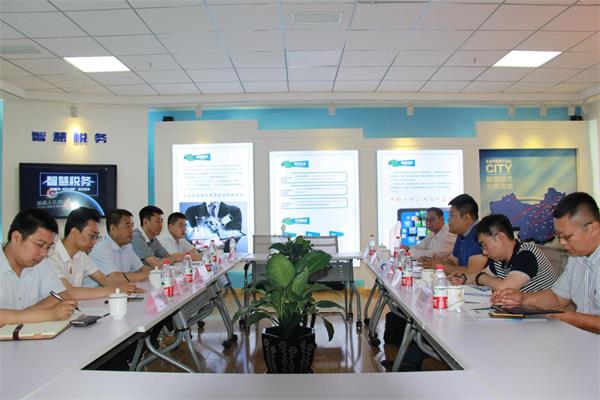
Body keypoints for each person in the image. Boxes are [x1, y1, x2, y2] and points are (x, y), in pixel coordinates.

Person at [493, 192, 600, 334]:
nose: (562, 243)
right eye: (558, 236)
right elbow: (557, 298)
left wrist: (570, 317)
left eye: (567, 236)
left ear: (593, 228)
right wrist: (522, 298)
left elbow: (568, 314)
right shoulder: (576, 258)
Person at [0, 209, 77, 325]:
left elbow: (61, 295)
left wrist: (21, 317)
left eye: (48, 247)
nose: (44, 253)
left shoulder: (40, 262)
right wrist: (49, 314)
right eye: (39, 245)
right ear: (16, 237)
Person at [48, 207, 141, 300]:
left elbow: (103, 279)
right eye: (91, 236)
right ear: (75, 232)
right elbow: (70, 292)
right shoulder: (51, 257)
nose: (94, 242)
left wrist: (128, 288)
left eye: (96, 237)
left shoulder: (80, 254)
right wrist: (115, 290)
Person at [449, 214, 557, 292]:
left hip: (547, 314)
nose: (484, 252)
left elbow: (505, 287)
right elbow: (482, 274)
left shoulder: (526, 254)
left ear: (500, 238)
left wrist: (481, 278)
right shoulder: (499, 260)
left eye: (484, 245)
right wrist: (463, 278)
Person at [421, 194, 487, 275]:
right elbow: (453, 261)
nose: (448, 220)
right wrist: (436, 263)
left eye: (451, 215)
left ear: (466, 217)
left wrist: (438, 266)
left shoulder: (480, 235)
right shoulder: (462, 235)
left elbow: (472, 272)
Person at [88, 209, 150, 286]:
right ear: (112, 229)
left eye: (132, 226)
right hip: (97, 292)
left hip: (119, 290)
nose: (131, 230)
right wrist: (145, 275)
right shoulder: (100, 248)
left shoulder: (128, 246)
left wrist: (153, 272)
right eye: (127, 226)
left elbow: (141, 269)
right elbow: (115, 278)